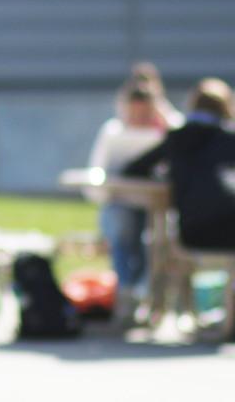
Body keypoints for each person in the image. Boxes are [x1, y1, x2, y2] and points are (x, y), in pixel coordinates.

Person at [86, 84, 166, 324]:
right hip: (119, 201)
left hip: (154, 204)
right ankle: (129, 290)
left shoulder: (163, 132)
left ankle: (139, 292)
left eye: (144, 114)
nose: (138, 119)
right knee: (122, 225)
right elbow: (96, 172)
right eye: (134, 113)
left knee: (152, 237)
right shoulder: (112, 132)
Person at [124, 78, 235, 250]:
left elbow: (134, 169)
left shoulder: (177, 138)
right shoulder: (228, 140)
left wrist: (168, 177)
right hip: (228, 229)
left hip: (191, 232)